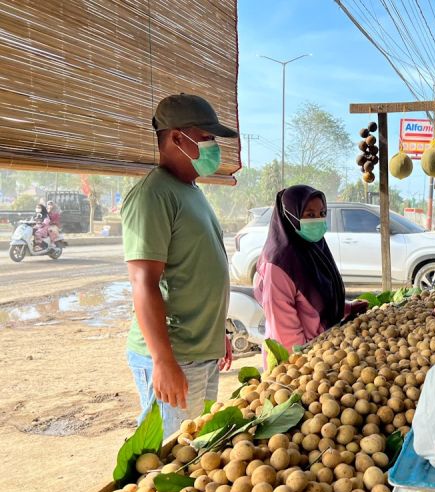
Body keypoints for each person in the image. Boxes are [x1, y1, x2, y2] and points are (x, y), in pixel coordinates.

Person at [122, 93, 237, 436]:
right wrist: (163, 360)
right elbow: (143, 282)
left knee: (196, 444)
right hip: (176, 355)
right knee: (172, 451)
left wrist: (218, 333)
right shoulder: (153, 195)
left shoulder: (191, 190)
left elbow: (196, 269)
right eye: (207, 137)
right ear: (176, 138)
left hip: (199, 352)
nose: (214, 146)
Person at [253, 185, 368, 363]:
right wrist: (308, 363)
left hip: (324, 350)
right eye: (310, 215)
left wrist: (346, 307)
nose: (318, 220)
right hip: (297, 359)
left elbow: (315, 298)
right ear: (290, 216)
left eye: (322, 213)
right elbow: (284, 331)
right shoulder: (278, 264)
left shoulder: (315, 248)